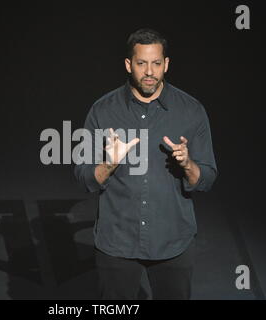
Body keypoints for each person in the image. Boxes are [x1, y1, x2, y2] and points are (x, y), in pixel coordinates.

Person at [74, 28, 218, 300]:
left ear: (166, 64)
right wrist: (109, 164)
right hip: (117, 242)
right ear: (129, 65)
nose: (149, 71)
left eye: (156, 63)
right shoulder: (102, 111)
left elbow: (207, 178)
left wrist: (188, 164)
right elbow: (83, 176)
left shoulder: (191, 111)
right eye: (141, 63)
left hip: (173, 241)